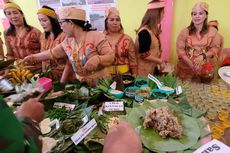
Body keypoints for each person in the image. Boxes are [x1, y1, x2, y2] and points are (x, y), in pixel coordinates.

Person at [24, 7, 114, 86]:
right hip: (81, 85)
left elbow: (110, 57)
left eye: (61, 23)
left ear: (71, 23)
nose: (61, 27)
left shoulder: (96, 36)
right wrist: (32, 57)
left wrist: (97, 59)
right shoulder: (68, 41)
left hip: (102, 85)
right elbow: (51, 53)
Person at [176, 2, 222, 80]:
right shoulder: (184, 31)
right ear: (192, 16)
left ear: (206, 15)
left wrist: (203, 56)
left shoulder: (213, 31)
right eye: (194, 14)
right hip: (186, 71)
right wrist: (189, 63)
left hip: (205, 71)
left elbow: (215, 48)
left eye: (200, 13)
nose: (197, 16)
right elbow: (180, 50)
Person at [3, 2, 41, 71]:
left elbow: (44, 52)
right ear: (6, 16)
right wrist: (11, 68)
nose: (13, 16)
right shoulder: (7, 33)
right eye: (9, 14)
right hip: (20, 71)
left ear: (22, 14)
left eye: (15, 12)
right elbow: (10, 55)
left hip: (37, 69)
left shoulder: (35, 32)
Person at [134, 0, 165, 77]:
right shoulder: (144, 32)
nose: (163, 15)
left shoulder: (151, 31)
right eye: (163, 13)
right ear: (156, 14)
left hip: (149, 71)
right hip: (142, 73)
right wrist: (160, 61)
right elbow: (144, 55)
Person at [104, 7, 137, 75]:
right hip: (106, 78)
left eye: (117, 20)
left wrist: (135, 78)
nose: (115, 22)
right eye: (112, 20)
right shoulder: (100, 39)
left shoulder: (128, 39)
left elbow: (133, 61)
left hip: (125, 77)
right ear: (106, 21)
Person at [37, 5, 66, 81]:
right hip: (49, 77)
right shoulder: (43, 36)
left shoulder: (64, 35)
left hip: (63, 76)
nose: (42, 23)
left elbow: (69, 61)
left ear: (53, 20)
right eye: (39, 20)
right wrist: (44, 75)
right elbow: (43, 58)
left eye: (44, 20)